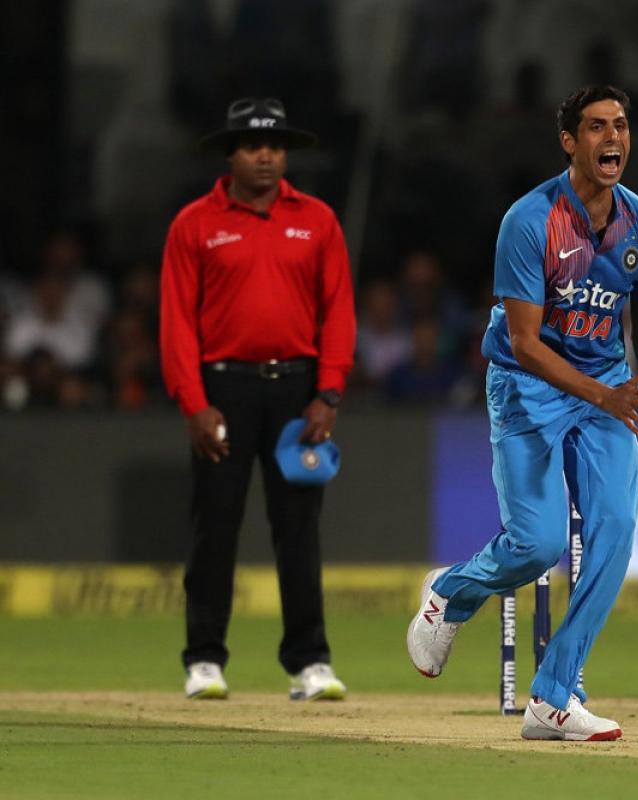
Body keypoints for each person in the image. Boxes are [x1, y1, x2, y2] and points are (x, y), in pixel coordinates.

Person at [406, 86, 638, 741]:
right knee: (538, 545)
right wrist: (602, 395)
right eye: (595, 127)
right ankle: (451, 592)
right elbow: (525, 342)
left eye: (620, 125)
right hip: (527, 385)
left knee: (615, 529)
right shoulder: (530, 220)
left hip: (607, 385)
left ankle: (553, 696)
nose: (612, 138)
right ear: (569, 141)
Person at [159, 98, 356, 701]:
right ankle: (204, 659)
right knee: (214, 527)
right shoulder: (194, 223)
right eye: (251, 145)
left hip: (297, 391)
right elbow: (177, 321)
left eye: (274, 145)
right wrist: (194, 402)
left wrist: (328, 393)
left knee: (298, 530)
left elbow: (338, 312)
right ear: (231, 154)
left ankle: (309, 662)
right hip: (222, 389)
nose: (265, 155)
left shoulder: (317, 220)